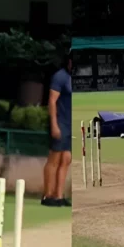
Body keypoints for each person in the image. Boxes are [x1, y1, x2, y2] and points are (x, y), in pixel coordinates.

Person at [42, 51, 73, 207]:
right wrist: (54, 124)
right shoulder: (60, 76)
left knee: (66, 159)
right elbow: (52, 101)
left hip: (70, 123)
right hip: (60, 122)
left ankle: (59, 195)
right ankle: (47, 196)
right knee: (54, 159)